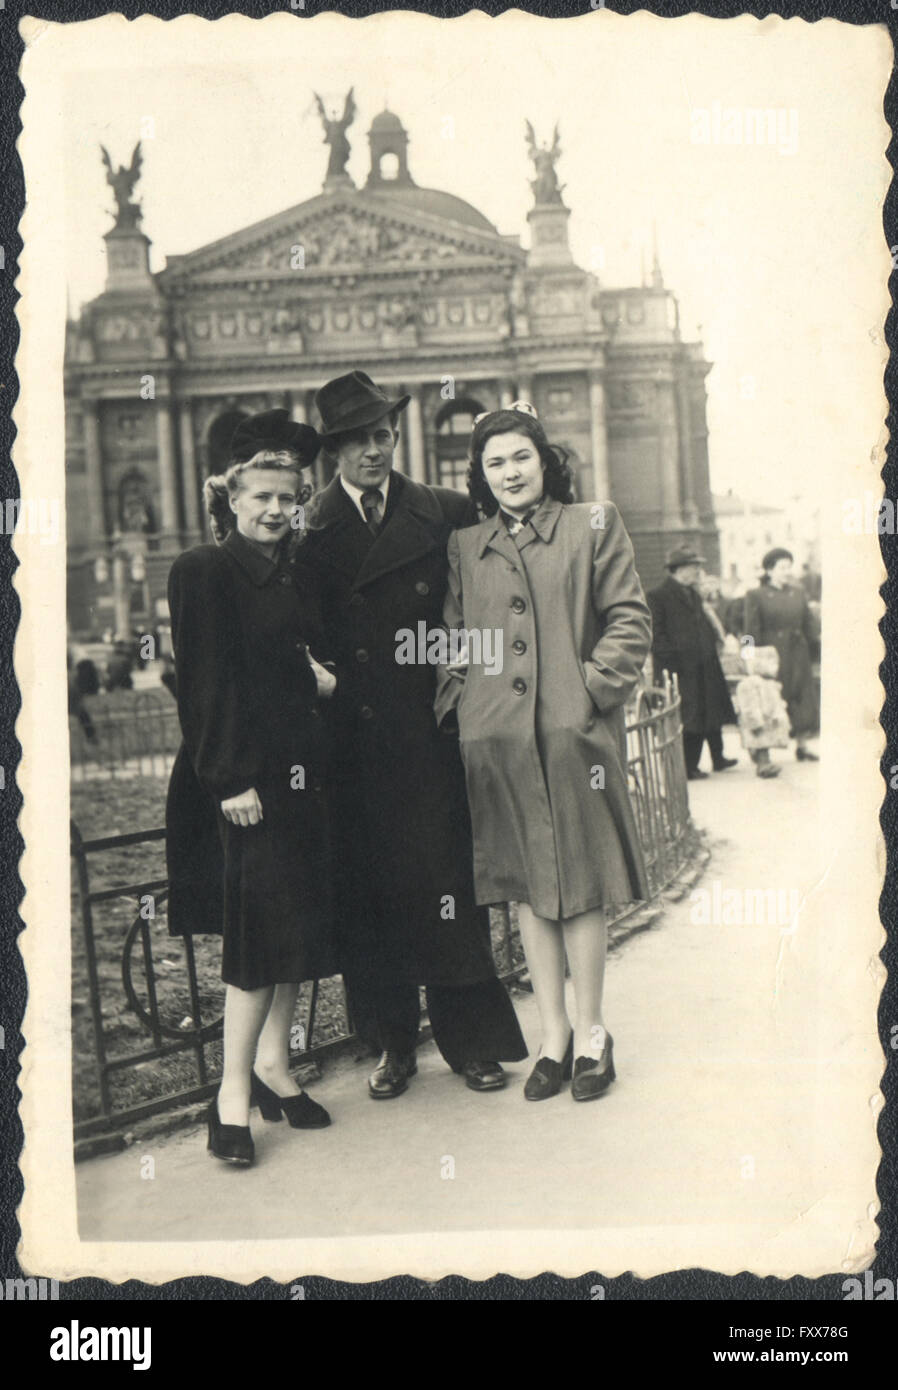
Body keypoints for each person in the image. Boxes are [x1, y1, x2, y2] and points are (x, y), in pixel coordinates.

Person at [297, 371, 527, 1100]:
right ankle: (391, 1045)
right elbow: (296, 632)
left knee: (446, 890)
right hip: (352, 747)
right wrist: (322, 678)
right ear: (333, 449)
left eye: (383, 435)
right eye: (359, 439)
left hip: (429, 737)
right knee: (370, 898)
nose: (375, 450)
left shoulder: (446, 511)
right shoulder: (308, 528)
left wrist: (457, 674)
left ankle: (471, 1045)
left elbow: (484, 609)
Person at [435, 404, 651, 1103]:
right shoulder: (467, 546)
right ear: (481, 474)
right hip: (498, 742)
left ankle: (592, 1035)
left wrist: (587, 691)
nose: (509, 473)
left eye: (520, 457)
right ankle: (551, 1037)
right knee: (530, 888)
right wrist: (462, 705)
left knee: (579, 884)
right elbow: (454, 641)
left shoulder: (593, 523)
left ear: (543, 459)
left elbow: (628, 618)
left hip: (570, 739)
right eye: (494, 463)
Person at [165, 409, 337, 1167]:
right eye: (262, 496)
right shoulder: (204, 570)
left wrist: (320, 679)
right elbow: (203, 684)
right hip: (243, 783)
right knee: (256, 940)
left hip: (300, 777)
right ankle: (231, 1095)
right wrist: (230, 777)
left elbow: (288, 660)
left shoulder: (290, 568)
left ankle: (276, 1066)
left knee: (292, 930)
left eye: (288, 496)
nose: (276, 509)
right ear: (230, 496)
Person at [647, 547, 737, 780]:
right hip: (680, 669)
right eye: (693, 566)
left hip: (704, 664)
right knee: (689, 717)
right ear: (680, 569)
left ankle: (713, 759)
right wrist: (674, 660)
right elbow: (656, 635)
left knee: (708, 712)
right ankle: (687, 767)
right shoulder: (658, 596)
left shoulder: (693, 594)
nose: (698, 570)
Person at [742, 547, 819, 760]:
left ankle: (802, 746)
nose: (787, 572)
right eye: (782, 567)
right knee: (770, 699)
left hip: (798, 653)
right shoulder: (756, 595)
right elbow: (749, 629)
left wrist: (818, 648)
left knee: (803, 698)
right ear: (769, 570)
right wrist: (748, 657)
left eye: (789, 567)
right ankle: (761, 750)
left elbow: (809, 624)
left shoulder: (798, 592)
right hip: (772, 656)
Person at [734, 645, 791, 778]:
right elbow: (749, 705)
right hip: (759, 721)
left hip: (768, 719)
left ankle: (763, 761)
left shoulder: (769, 683)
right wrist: (754, 722)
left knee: (765, 743)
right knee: (760, 743)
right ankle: (762, 765)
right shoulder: (751, 683)